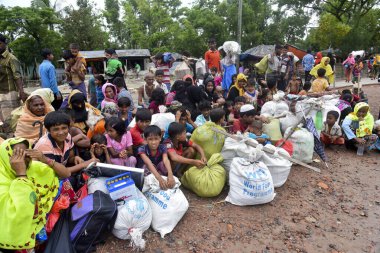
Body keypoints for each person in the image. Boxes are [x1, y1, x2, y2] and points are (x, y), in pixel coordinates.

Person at [0, 138, 63, 250]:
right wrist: (21, 174)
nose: (22, 160)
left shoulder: (33, 167)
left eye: (25, 154)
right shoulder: (2, 179)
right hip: (14, 237)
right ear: (6, 156)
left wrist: (44, 159)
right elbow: (22, 211)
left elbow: (65, 173)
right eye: (17, 155)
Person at [138, 125, 175, 190]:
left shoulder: (163, 147)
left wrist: (170, 174)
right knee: (145, 167)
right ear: (146, 139)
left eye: (156, 139)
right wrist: (159, 179)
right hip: (148, 170)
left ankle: (165, 181)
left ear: (160, 138)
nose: (153, 142)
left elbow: (165, 160)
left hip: (158, 169)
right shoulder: (142, 149)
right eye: (150, 139)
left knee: (163, 164)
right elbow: (148, 163)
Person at [0, 34, 27, 123]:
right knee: (3, 120)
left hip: (9, 93)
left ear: (5, 43)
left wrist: (21, 92)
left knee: (10, 120)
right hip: (0, 94)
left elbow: (17, 76)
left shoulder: (11, 58)